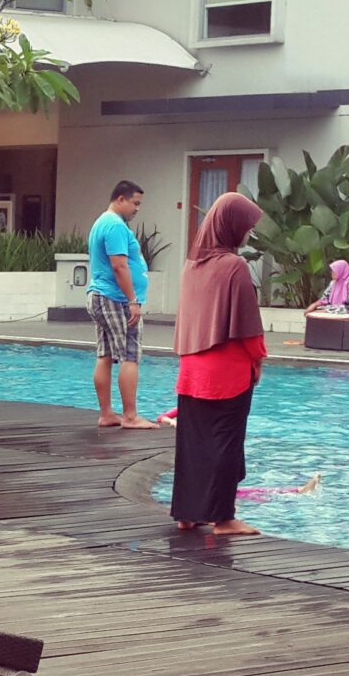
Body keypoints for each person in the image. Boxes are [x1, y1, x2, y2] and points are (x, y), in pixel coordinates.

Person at [169, 192, 267, 537]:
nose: (248, 233)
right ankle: (224, 518)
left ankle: (187, 514)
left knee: (193, 446)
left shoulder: (190, 265)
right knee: (226, 443)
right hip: (228, 374)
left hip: (191, 373)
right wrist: (258, 359)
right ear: (231, 225)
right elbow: (247, 326)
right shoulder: (233, 265)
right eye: (246, 226)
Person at [87, 181, 155, 429]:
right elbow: (119, 265)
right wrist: (132, 300)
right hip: (115, 298)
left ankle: (107, 414)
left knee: (105, 354)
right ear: (120, 199)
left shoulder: (102, 222)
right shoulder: (115, 225)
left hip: (102, 296)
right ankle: (130, 416)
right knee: (130, 354)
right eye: (135, 203)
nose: (137, 208)